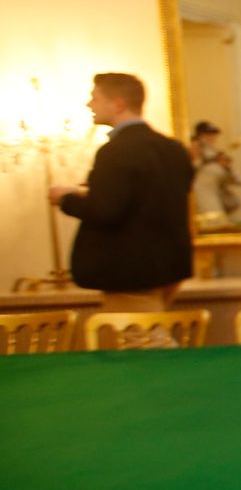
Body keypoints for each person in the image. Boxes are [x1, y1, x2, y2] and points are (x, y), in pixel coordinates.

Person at [49, 73, 194, 313]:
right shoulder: (173, 148)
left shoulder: (116, 151)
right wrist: (90, 193)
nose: (89, 105)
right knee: (148, 339)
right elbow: (150, 198)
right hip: (170, 263)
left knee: (143, 342)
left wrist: (65, 199)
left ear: (118, 104)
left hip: (131, 268)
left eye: (94, 98)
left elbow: (106, 211)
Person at [189, 121, 241, 227]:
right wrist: (214, 161)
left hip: (213, 188)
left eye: (213, 134)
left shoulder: (212, 149)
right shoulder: (196, 146)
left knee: (217, 217)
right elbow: (194, 165)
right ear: (201, 135)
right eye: (208, 134)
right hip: (202, 188)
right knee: (210, 216)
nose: (212, 137)